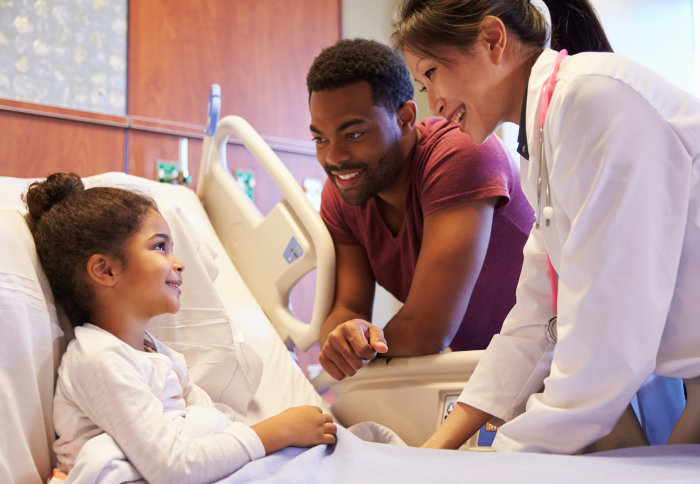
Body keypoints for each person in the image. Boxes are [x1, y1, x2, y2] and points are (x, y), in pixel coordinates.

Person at [392, 0, 700, 453]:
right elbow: (537, 318)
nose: (433, 104)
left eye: (432, 72)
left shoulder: (592, 98)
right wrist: (437, 449)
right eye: (422, 85)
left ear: (493, 40)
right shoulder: (543, 142)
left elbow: (609, 345)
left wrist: (505, 455)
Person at [24, 172, 337, 483]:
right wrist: (276, 433)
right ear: (105, 270)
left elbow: (215, 427)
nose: (179, 262)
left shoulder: (158, 354)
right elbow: (170, 467)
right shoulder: (98, 358)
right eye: (160, 247)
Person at [306, 38, 534, 381]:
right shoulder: (343, 195)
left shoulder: (461, 154)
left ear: (405, 118)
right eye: (320, 139)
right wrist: (344, 338)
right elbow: (349, 307)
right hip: (488, 372)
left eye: (353, 134)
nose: (334, 158)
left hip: (559, 356)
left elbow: (427, 330)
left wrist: (363, 352)